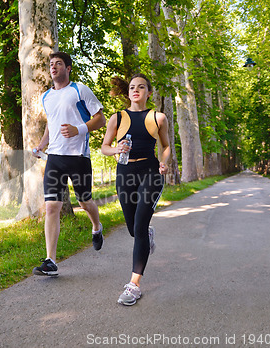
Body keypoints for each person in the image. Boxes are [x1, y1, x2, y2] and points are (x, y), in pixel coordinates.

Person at [32, 51, 106, 277]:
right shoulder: (47, 96)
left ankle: (97, 227)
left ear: (68, 68)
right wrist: (42, 145)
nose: (53, 67)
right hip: (55, 157)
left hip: (78, 156)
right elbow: (51, 125)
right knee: (52, 206)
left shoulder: (79, 90)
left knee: (85, 202)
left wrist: (79, 129)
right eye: (51, 64)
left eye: (59, 64)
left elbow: (100, 118)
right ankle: (51, 261)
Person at [101, 74, 170, 305]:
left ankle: (134, 285)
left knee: (139, 227)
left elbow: (166, 145)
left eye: (141, 87)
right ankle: (147, 234)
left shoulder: (158, 117)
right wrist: (116, 149)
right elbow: (104, 147)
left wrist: (164, 162)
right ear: (128, 92)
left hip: (150, 173)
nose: (136, 90)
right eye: (132, 87)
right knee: (132, 229)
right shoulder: (117, 118)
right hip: (125, 174)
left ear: (149, 92)